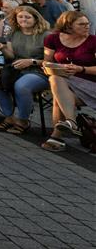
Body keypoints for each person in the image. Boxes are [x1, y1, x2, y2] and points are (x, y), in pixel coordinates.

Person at [41, 11, 96, 152]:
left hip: (90, 83)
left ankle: (60, 133)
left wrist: (81, 69)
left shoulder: (93, 41)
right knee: (55, 79)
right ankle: (69, 123)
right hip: (63, 81)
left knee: (58, 98)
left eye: (87, 23)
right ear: (68, 26)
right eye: (81, 24)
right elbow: (46, 63)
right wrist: (54, 68)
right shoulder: (52, 39)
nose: (87, 27)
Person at [0, 5, 49, 134]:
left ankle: (23, 120)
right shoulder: (14, 33)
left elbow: (51, 61)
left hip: (39, 70)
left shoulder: (46, 35)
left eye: (27, 17)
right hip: (16, 68)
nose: (23, 19)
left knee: (22, 86)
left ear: (36, 18)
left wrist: (31, 61)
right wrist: (3, 48)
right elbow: (11, 56)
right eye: (20, 17)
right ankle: (9, 116)